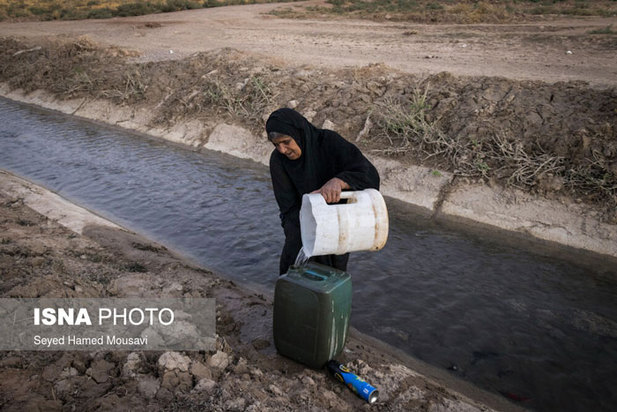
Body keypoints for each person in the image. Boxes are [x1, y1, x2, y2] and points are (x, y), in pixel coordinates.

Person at [266, 108, 380, 275]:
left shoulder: (328, 142)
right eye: (276, 145)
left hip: (338, 224)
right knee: (291, 272)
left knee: (333, 276)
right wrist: (306, 233)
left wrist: (340, 182)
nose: (283, 150)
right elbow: (288, 207)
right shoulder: (278, 161)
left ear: (298, 134)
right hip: (301, 224)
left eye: (286, 142)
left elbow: (368, 174)